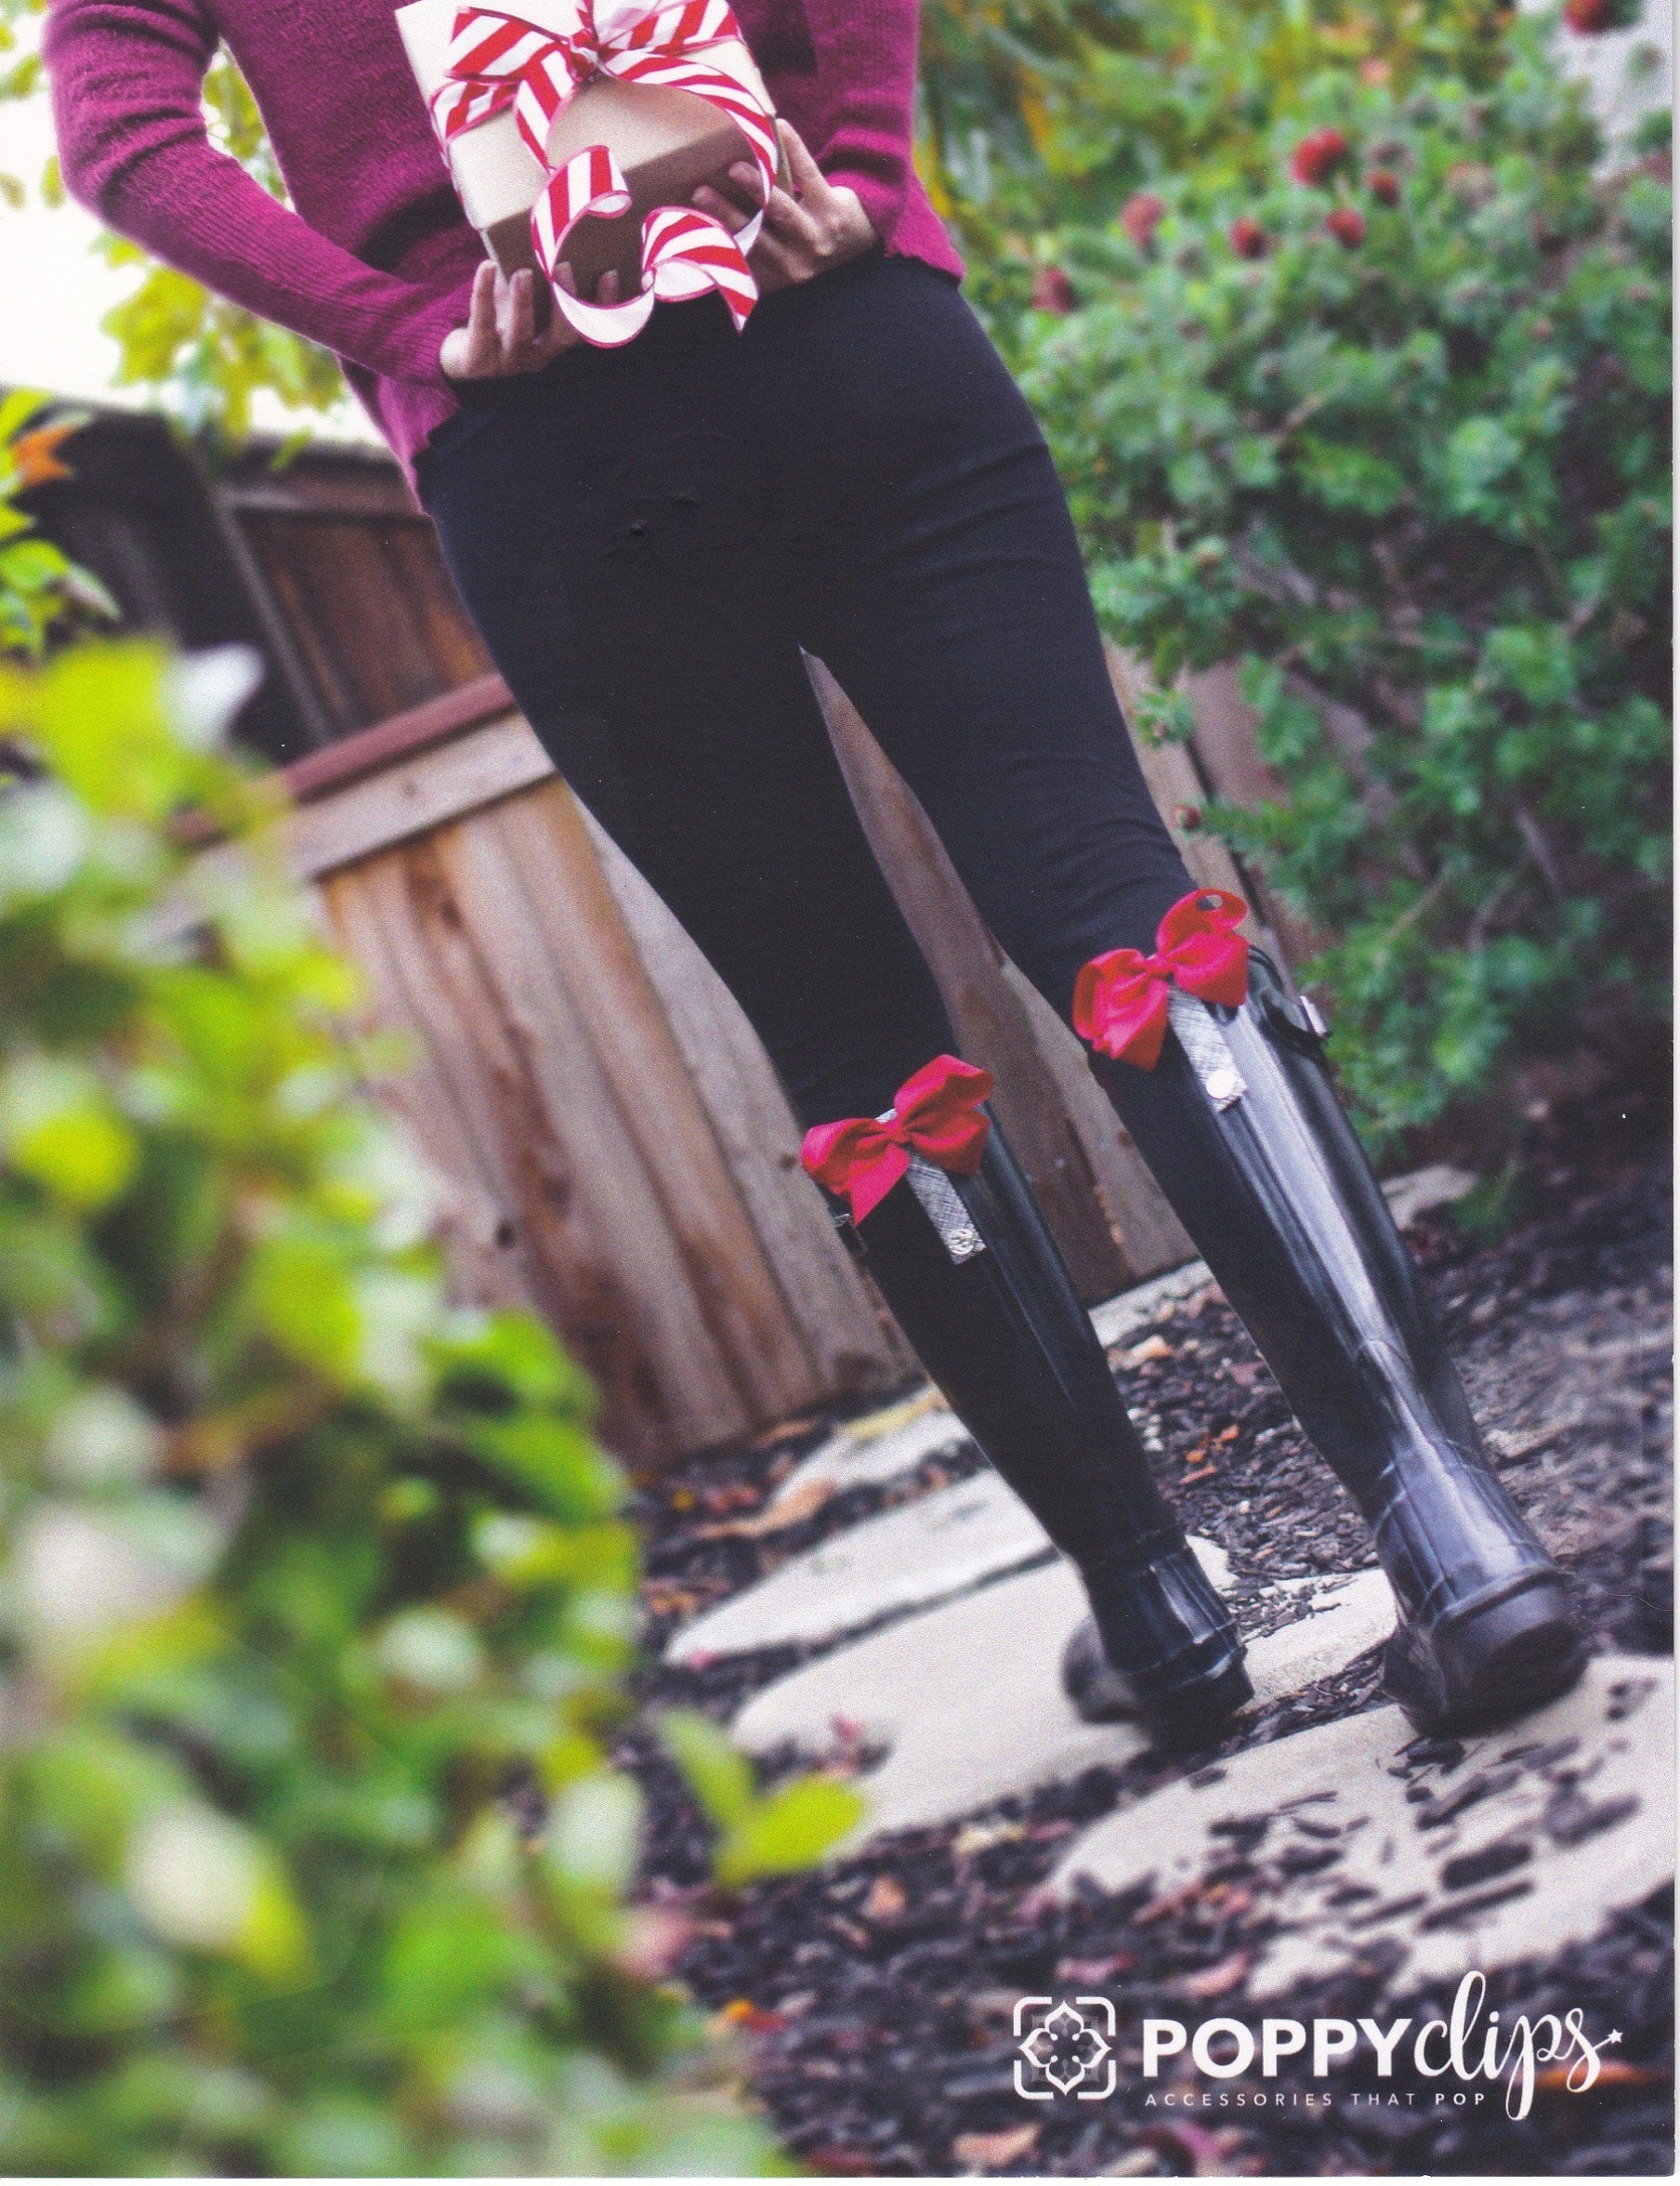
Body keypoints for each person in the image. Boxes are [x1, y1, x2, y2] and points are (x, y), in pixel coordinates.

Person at [46, 0, 1584, 1745]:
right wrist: (850, 168)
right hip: (843, 327)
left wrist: (402, 323)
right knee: (1119, 909)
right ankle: (1452, 1532)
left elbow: (118, 132)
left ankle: (1158, 1612)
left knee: (853, 1043)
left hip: (547, 439)